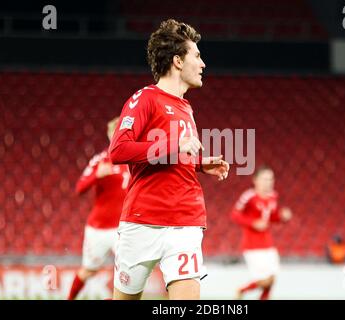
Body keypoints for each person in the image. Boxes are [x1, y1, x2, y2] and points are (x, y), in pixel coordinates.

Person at [108, 19, 230, 300]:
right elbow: (119, 150)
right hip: (142, 222)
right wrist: (175, 145)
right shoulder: (145, 99)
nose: (203, 64)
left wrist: (199, 163)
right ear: (177, 60)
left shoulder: (186, 107)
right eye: (197, 56)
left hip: (186, 221)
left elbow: (171, 156)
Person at [67, 117, 130, 300]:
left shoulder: (135, 161)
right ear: (110, 136)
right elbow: (79, 188)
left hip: (124, 229)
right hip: (99, 228)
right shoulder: (101, 160)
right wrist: (96, 175)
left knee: (129, 273)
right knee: (88, 270)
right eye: (116, 133)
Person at [231, 165, 292, 300]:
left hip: (268, 244)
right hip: (252, 245)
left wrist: (282, 217)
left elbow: (273, 217)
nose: (268, 182)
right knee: (264, 280)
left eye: (270, 179)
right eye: (264, 179)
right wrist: (253, 223)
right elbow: (235, 214)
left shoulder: (273, 196)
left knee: (272, 279)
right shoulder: (249, 196)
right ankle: (241, 290)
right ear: (255, 180)